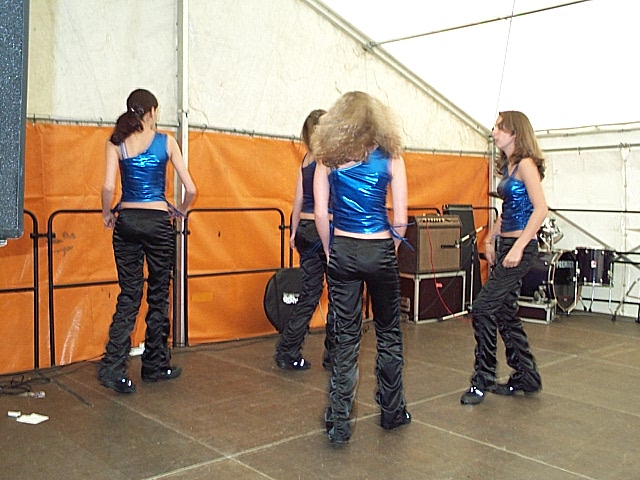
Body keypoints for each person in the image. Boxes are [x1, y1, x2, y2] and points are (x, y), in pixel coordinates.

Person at [313, 91, 411, 445]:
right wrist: (389, 250)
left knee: (345, 337)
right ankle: (392, 412)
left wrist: (331, 250)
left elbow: (320, 214)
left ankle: (339, 422)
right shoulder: (392, 158)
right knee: (388, 333)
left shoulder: (327, 160)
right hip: (380, 248)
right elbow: (400, 219)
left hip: (343, 248)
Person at [98, 89, 197, 394]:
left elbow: (108, 187)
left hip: (127, 221)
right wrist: (181, 211)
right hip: (157, 224)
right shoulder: (166, 142)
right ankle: (154, 364)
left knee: (129, 295)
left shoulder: (116, 142)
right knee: (158, 294)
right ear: (152, 111)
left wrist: (107, 213)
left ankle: (113, 367)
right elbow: (191, 188)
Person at [460, 110, 547, 405]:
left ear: (515, 133)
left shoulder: (525, 165)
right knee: (504, 312)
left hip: (521, 246)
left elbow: (540, 209)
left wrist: (519, 247)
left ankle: (483, 378)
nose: (494, 132)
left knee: (483, 307)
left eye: (499, 127)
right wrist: (490, 238)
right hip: (507, 243)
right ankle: (527, 375)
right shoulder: (509, 166)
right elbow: (508, 210)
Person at [274, 109, 333, 371]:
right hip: (325, 228)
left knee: (309, 293)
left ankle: (288, 349)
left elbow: (297, 200)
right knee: (338, 293)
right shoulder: (329, 161)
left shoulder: (306, 160)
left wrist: (293, 231)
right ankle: (334, 354)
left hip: (306, 230)